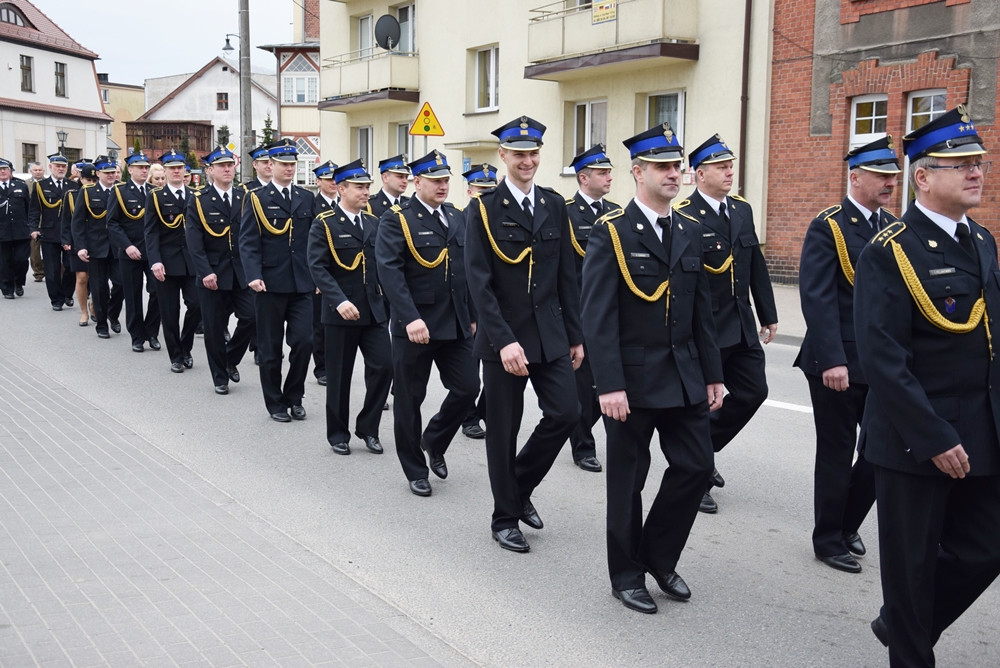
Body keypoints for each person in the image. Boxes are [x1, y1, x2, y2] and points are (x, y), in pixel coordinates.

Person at [855, 105, 1000, 666]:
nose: (976, 172)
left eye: (979, 162)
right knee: (910, 569)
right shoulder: (888, 249)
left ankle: (904, 623)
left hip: (981, 426)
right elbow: (883, 358)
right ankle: (911, 642)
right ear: (923, 176)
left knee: (985, 547)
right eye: (960, 163)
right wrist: (932, 436)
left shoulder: (981, 239)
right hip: (915, 438)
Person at [582, 123, 724, 614]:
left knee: (697, 467)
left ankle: (658, 556)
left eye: (676, 165)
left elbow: (700, 310)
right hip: (632, 380)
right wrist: (609, 385)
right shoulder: (613, 232)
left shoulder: (689, 229)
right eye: (662, 166)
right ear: (637, 172)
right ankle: (626, 574)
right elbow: (597, 315)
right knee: (628, 481)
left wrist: (713, 374)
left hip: (683, 374)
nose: (673, 174)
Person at [465, 116, 584, 553]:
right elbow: (479, 284)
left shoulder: (554, 204)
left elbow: (567, 276)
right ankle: (504, 518)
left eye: (533, 153)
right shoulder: (481, 209)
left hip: (550, 333)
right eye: (519, 154)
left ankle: (518, 488)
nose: (527, 161)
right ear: (503, 157)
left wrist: (575, 334)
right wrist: (504, 340)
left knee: (566, 413)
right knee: (503, 429)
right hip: (504, 340)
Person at [795, 136, 900, 574]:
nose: (890, 182)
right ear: (855, 176)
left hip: (879, 362)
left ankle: (847, 521)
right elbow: (816, 297)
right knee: (837, 452)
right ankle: (827, 539)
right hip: (835, 361)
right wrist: (833, 359)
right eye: (881, 175)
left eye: (893, 175)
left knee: (882, 451)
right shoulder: (830, 225)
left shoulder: (892, 226)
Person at [674, 134, 778, 513]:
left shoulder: (741, 210)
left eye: (730, 165)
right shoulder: (685, 215)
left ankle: (703, 452)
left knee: (753, 392)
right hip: (708, 328)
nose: (729, 171)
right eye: (721, 166)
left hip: (741, 323)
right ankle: (696, 473)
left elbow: (755, 264)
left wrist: (768, 313)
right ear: (700, 174)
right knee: (704, 403)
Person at [376, 150, 479, 496]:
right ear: (416, 182)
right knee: (409, 398)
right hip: (416, 325)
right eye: (435, 180)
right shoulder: (397, 219)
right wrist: (409, 318)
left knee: (468, 388)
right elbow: (389, 273)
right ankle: (414, 469)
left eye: (446, 180)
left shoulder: (457, 216)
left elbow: (469, 271)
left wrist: (475, 316)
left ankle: (434, 439)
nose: (443, 186)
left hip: (455, 322)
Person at [307, 158, 391, 452]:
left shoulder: (374, 222)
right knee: (339, 377)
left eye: (367, 186)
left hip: (373, 310)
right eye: (359, 186)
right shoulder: (325, 224)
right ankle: (338, 434)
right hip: (340, 312)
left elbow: (384, 265)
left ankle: (368, 427)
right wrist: (338, 300)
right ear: (341, 188)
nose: (366, 191)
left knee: (384, 367)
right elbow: (318, 267)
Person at [239, 139, 315, 422]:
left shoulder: (306, 198)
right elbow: (247, 241)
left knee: (305, 342)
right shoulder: (257, 198)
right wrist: (254, 275)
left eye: (293, 164)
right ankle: (275, 403)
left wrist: (318, 275)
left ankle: (295, 395)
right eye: (284, 164)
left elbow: (313, 241)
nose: (289, 169)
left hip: (302, 284)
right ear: (271, 165)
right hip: (270, 283)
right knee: (271, 349)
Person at [564, 144, 621, 473]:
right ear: (584, 178)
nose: (609, 177)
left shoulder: (616, 212)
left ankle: (586, 430)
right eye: (602, 172)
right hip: (581, 310)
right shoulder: (567, 213)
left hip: (614, 310)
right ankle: (582, 445)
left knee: (611, 377)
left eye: (609, 171)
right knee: (584, 385)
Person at [186, 146, 255, 395]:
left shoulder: (244, 196)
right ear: (210, 170)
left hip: (241, 272)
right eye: (222, 166)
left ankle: (230, 359)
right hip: (212, 274)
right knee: (214, 328)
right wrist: (205, 272)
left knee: (251, 318)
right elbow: (194, 242)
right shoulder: (199, 200)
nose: (227, 169)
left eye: (230, 165)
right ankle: (219, 376)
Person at [144, 150, 201, 372]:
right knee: (169, 312)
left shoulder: (195, 195)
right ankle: (176, 356)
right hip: (165, 263)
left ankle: (185, 346)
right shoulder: (155, 197)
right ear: (165, 171)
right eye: (171, 168)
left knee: (196, 305)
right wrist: (155, 261)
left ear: (185, 170)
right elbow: (150, 232)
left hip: (191, 262)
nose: (176, 171)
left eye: (180, 168)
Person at [458, 163, 498, 441]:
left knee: (496, 369)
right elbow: (463, 273)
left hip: (499, 307)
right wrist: (471, 314)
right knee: (471, 370)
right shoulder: (461, 220)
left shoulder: (502, 219)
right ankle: (469, 417)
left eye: (490, 190)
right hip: (472, 305)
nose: (485, 195)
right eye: (480, 190)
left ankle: (486, 411)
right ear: (470, 191)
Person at [108, 151, 161, 352]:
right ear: (130, 169)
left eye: (146, 167)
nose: (144, 170)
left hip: (152, 252)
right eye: (140, 167)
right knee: (133, 294)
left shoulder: (154, 191)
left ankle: (152, 331)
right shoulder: (120, 191)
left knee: (157, 291)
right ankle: (137, 336)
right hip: (129, 251)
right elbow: (112, 223)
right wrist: (127, 246)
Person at [70, 156, 119, 337]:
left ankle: (113, 314)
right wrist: (81, 247)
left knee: (121, 285)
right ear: (98, 174)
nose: (111, 175)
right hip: (96, 247)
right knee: (99, 288)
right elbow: (78, 222)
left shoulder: (121, 191)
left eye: (113, 172)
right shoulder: (88, 192)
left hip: (118, 248)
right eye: (107, 173)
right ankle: (102, 324)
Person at [28, 153, 75, 310]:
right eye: (58, 166)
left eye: (63, 166)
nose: (61, 169)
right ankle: (56, 299)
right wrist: (34, 229)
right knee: (52, 269)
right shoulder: (41, 186)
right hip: (49, 232)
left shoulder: (73, 186)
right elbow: (34, 210)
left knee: (70, 266)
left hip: (69, 234)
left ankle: (68, 293)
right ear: (50, 167)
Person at [310, 159, 339, 388]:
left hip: (343, 272)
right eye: (328, 179)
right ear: (318, 182)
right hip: (320, 273)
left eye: (335, 179)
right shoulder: (312, 205)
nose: (333, 183)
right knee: (319, 324)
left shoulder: (345, 203)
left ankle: (337, 365)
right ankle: (321, 367)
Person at [61, 162, 90, 325]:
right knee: (82, 278)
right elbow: (66, 220)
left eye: (93, 179)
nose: (90, 182)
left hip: (98, 241)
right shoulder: (72, 195)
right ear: (81, 179)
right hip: (78, 240)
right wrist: (66, 240)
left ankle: (95, 304)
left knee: (98, 280)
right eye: (87, 179)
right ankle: (84, 311)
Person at [0, 157, 31, 300]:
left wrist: (31, 227)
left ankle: (19, 282)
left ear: (10, 171)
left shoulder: (21, 186)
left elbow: (29, 208)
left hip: (21, 231)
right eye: (0, 170)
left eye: (5, 169)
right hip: (2, 232)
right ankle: (7, 288)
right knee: (4, 261)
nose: (2, 172)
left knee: (21, 260)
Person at [26, 161, 46, 282]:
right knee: (34, 250)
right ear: (31, 171)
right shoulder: (26, 184)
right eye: (35, 170)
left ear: (43, 171)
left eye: (40, 170)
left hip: (47, 221)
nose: (38, 172)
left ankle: (48, 268)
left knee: (49, 249)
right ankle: (38, 272)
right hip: (34, 222)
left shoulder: (47, 183)